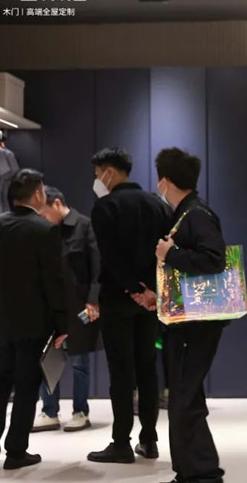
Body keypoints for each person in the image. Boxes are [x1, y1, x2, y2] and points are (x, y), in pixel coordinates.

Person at [0, 169, 68, 470]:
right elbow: (54, 282)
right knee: (26, 387)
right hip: (34, 321)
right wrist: (63, 324)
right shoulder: (45, 230)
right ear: (38, 194)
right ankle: (16, 452)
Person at [87, 148, 171, 464]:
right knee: (147, 367)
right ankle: (149, 439)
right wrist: (149, 291)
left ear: (109, 172)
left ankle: (121, 442)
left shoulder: (105, 207)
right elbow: (165, 253)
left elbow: (110, 256)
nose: (97, 180)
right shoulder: (158, 205)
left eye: (98, 174)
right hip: (151, 302)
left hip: (118, 299)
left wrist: (133, 288)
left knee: (121, 372)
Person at [150, 148, 228, 483]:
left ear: (165, 181)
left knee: (184, 397)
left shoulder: (195, 214)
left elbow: (214, 259)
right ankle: (193, 470)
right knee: (186, 395)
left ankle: (201, 471)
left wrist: (171, 254)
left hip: (195, 324)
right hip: (189, 320)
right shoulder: (189, 212)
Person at [32, 186, 101, 433]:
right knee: (48, 357)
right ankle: (49, 410)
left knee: (79, 359)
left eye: (44, 212)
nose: (43, 217)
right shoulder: (46, 230)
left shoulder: (85, 225)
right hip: (51, 306)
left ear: (57, 204)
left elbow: (97, 266)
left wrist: (94, 300)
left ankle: (80, 410)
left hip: (79, 304)